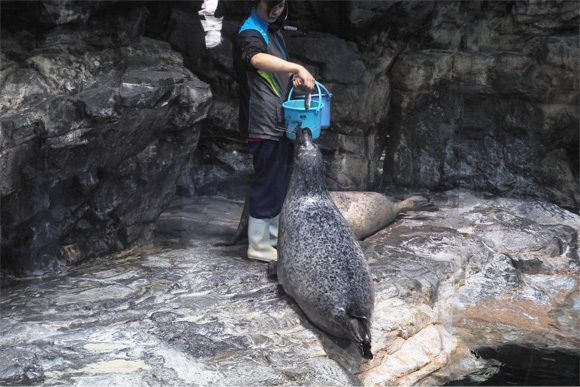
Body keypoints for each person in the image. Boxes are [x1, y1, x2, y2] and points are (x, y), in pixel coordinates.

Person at [236, 0, 315, 262]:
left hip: (280, 122)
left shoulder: (273, 31)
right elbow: (256, 58)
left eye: (280, 5)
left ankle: (273, 238)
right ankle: (257, 245)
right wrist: (297, 66)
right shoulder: (250, 32)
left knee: (280, 180)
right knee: (268, 180)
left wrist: (294, 79)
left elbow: (275, 73)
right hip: (262, 123)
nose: (275, 11)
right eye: (270, 4)